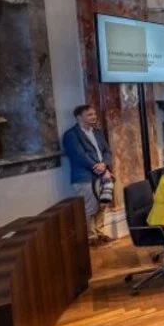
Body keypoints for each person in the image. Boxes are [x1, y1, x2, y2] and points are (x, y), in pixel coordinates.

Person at [62, 104, 115, 245]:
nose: (94, 117)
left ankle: (100, 232)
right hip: (84, 176)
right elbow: (79, 155)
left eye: (94, 114)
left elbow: (107, 151)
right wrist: (100, 169)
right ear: (79, 117)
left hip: (103, 174)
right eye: (90, 114)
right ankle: (91, 237)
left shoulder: (97, 132)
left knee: (102, 205)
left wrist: (105, 165)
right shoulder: (71, 135)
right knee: (90, 207)